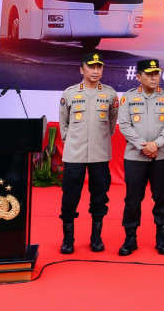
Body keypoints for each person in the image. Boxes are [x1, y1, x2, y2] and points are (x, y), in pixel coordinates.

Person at [117, 59, 164, 256]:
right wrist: (143, 146)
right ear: (138, 76)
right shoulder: (128, 97)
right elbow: (124, 125)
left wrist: (156, 144)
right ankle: (130, 238)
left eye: (156, 74)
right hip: (135, 156)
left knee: (162, 198)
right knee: (133, 199)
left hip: (161, 156)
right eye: (149, 74)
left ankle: (162, 238)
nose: (154, 77)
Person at [58, 52, 119, 254]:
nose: (95, 71)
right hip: (74, 154)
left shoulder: (110, 94)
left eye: (99, 67)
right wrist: (72, 141)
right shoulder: (69, 93)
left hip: (99, 154)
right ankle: (68, 239)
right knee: (70, 196)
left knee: (100, 196)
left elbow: (112, 123)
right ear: (81, 69)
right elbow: (64, 123)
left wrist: (99, 139)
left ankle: (96, 237)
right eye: (91, 67)